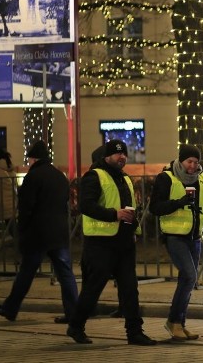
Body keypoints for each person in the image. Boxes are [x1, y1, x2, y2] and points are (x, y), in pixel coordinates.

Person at [65, 139, 156, 346]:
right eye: (117, 154)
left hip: (124, 242)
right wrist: (113, 215)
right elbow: (86, 206)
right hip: (100, 243)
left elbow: (131, 209)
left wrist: (135, 231)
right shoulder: (94, 176)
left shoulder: (124, 178)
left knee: (130, 288)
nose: (122, 157)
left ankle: (134, 332)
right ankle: (76, 325)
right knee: (94, 288)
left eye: (124, 153)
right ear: (107, 157)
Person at [0, 140, 79, 323]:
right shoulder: (60, 176)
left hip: (38, 234)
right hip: (59, 233)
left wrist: (22, 232)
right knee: (65, 273)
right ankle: (74, 313)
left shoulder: (33, 177)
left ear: (33, 158)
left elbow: (26, 208)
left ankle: (10, 308)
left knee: (26, 272)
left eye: (29, 159)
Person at [149, 143, 203, 341]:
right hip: (174, 235)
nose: (193, 165)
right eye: (189, 161)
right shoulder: (166, 178)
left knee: (187, 281)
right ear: (181, 160)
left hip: (194, 237)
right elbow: (155, 207)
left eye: (196, 162)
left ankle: (179, 325)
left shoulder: (201, 179)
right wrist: (179, 203)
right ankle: (173, 321)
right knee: (190, 276)